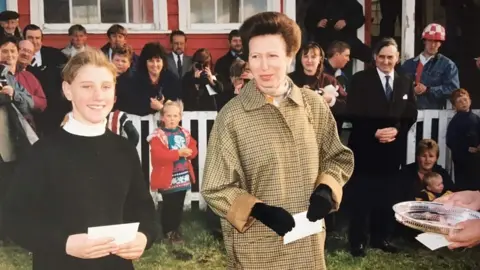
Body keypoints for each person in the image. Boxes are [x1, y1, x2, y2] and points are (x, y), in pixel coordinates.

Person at [201, 12, 354, 269]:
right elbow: (216, 187)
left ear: (289, 56)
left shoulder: (313, 105)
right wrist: (257, 210)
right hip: (257, 249)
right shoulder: (232, 117)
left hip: (308, 246)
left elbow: (336, 158)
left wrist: (327, 188)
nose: (263, 66)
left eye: (272, 56)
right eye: (255, 56)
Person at [2, 49, 157, 270]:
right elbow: (14, 218)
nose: (98, 96)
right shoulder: (43, 153)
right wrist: (64, 243)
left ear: (114, 94)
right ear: (68, 90)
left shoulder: (124, 150)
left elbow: (144, 211)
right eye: (87, 86)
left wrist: (144, 237)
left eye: (105, 86)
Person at [346, 38, 418, 257]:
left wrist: (397, 131)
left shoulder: (405, 82)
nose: (386, 61)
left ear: (397, 59)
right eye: (382, 56)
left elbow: (411, 113)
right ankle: (357, 242)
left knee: (386, 195)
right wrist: (373, 132)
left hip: (392, 149)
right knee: (362, 195)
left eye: (391, 57)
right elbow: (353, 111)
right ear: (375, 57)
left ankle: (381, 238)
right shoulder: (360, 80)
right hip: (366, 146)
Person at [147, 100, 197, 244]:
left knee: (179, 205)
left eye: (175, 116)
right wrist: (178, 153)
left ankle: (175, 229)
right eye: (169, 116)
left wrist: (190, 152)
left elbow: (193, 147)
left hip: (182, 177)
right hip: (167, 179)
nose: (172, 119)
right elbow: (158, 156)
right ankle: (168, 231)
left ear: (180, 117)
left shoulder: (184, 133)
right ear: (163, 117)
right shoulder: (158, 136)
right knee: (170, 205)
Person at [446, 88, 480, 191]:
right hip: (462, 161)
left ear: (470, 100)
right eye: (459, 101)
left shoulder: (476, 118)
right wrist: (466, 148)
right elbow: (451, 141)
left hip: (477, 159)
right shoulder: (455, 122)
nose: (463, 103)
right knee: (464, 186)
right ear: (454, 106)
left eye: (465, 99)